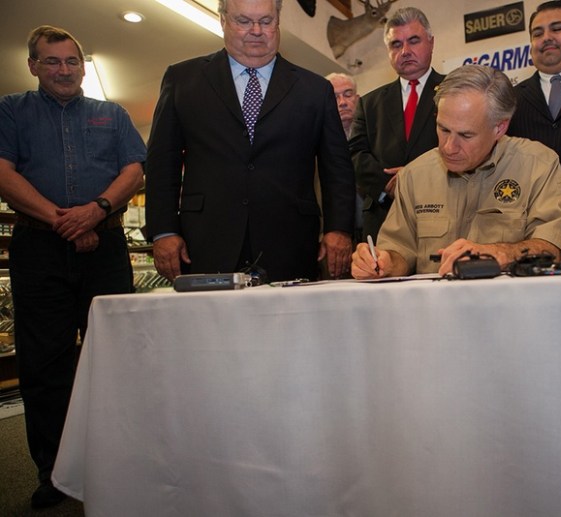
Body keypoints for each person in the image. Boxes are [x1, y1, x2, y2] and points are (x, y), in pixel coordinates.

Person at [0, 25, 145, 508]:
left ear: (83, 66)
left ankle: (122, 460)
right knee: (45, 364)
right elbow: (2, 172)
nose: (64, 70)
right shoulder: (11, 110)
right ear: (33, 66)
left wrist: (95, 211)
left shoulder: (112, 114)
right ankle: (56, 471)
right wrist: (63, 220)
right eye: (52, 61)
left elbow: (134, 170)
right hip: (38, 248)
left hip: (105, 248)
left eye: (72, 61)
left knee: (117, 358)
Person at [146, 0, 355, 283]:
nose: (256, 30)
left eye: (266, 21)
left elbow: (337, 168)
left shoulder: (315, 90)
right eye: (243, 21)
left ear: (278, 22)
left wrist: (339, 229)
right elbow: (162, 162)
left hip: (290, 242)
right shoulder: (183, 80)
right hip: (205, 240)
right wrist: (164, 231)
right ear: (223, 21)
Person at [351, 64, 561, 279]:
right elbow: (400, 250)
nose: (449, 147)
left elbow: (554, 249)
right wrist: (384, 262)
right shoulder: (415, 175)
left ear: (500, 127)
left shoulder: (538, 165)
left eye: (466, 135)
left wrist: (500, 253)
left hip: (510, 305)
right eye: (443, 129)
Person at [507, 1, 561, 253]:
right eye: (537, 33)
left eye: (557, 28)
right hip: (536, 234)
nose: (546, 37)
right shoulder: (510, 100)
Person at [349, 6, 445, 242]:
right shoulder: (368, 103)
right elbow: (355, 155)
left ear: (431, 43)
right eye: (396, 44)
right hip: (383, 217)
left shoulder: (456, 91)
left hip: (444, 212)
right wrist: (388, 185)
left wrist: (412, 177)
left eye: (414, 41)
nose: (405, 51)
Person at [325, 72, 363, 244]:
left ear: (358, 99)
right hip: (334, 233)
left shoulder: (376, 135)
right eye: (334, 97)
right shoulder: (316, 140)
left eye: (348, 94)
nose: (342, 102)